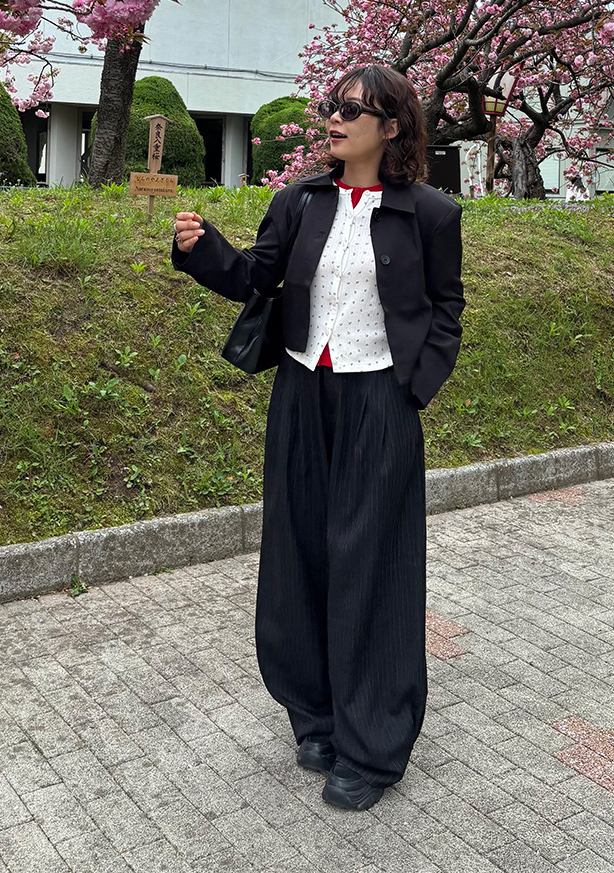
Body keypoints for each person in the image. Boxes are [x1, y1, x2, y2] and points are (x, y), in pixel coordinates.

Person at [171, 64, 465, 811]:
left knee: (373, 567)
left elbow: (446, 307)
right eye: (333, 106)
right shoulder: (298, 201)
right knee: (298, 553)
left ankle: (374, 747)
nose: (334, 119)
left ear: (391, 128)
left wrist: (414, 388)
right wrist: (202, 248)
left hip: (379, 401)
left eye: (353, 111)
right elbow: (254, 277)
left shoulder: (431, 213)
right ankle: (317, 718)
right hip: (302, 393)